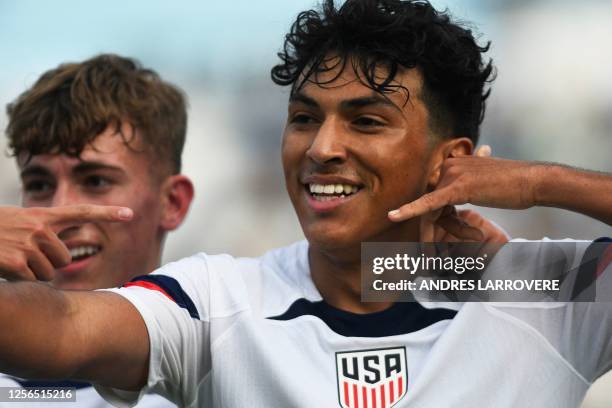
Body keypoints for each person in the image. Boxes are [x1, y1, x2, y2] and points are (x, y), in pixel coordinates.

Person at [0, 1, 611, 407]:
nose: (321, 148)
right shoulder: (219, 301)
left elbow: (404, 273)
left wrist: (543, 183)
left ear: (449, 160)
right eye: (303, 118)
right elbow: (57, 329)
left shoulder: (541, 290)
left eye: (366, 121)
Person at [0, 54, 193, 407]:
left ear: (172, 203)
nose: (61, 211)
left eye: (96, 180)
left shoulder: (221, 363)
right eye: (40, 184)